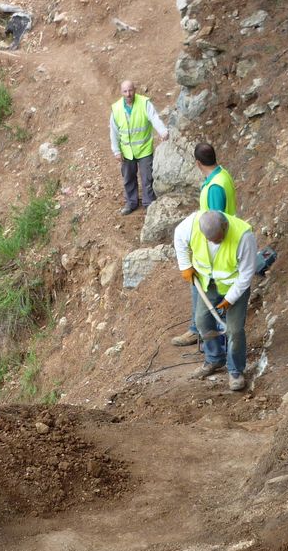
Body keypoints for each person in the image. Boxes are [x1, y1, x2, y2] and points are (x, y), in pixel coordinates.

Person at [173, 209, 256, 392]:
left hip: (234, 286)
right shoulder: (193, 224)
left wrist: (230, 299)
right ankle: (214, 359)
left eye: (218, 239)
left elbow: (247, 274)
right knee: (202, 321)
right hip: (208, 284)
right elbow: (179, 236)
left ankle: (235, 371)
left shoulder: (244, 237)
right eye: (210, 240)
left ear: (225, 226)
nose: (214, 242)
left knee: (234, 330)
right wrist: (185, 265)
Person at [171, 142, 237, 347]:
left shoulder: (215, 186)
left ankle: (200, 331)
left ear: (198, 163)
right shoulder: (220, 175)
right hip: (214, 241)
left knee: (203, 289)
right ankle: (198, 328)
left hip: (215, 245)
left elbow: (215, 220)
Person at [109, 79, 168, 216]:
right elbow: (114, 132)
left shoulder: (144, 103)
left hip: (144, 149)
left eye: (130, 90)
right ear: (121, 92)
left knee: (147, 178)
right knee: (128, 178)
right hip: (127, 151)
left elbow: (154, 119)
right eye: (125, 91)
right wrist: (116, 151)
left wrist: (163, 131)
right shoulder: (116, 109)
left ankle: (149, 203)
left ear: (135, 90)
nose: (128, 94)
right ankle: (131, 203)